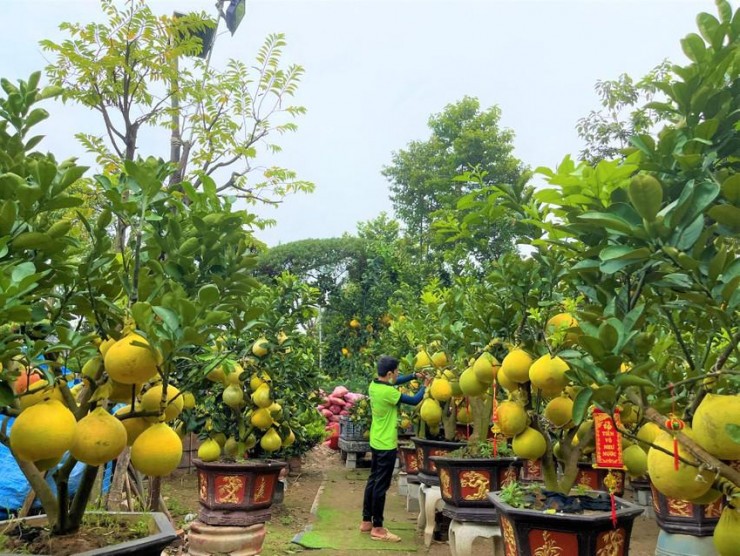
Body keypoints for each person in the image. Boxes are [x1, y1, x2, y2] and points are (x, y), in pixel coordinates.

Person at [359, 355, 426, 542]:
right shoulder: (388, 393)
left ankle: (366, 521)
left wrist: (413, 375)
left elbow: (395, 382)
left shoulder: (375, 386)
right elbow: (414, 400)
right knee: (381, 485)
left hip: (376, 440)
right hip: (386, 443)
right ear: (389, 373)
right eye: (397, 372)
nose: (398, 374)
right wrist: (427, 385)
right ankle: (378, 528)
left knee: (373, 480)